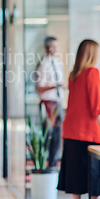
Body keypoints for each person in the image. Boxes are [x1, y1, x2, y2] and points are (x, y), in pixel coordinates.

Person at [57, 39, 100, 199]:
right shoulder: (92, 72)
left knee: (75, 170)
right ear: (92, 54)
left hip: (71, 130)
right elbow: (96, 106)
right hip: (89, 132)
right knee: (93, 172)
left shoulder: (73, 75)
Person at [35, 36, 65, 168]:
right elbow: (39, 88)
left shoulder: (58, 63)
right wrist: (56, 86)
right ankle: (44, 164)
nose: (55, 49)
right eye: (53, 46)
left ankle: (53, 163)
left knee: (58, 135)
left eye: (56, 46)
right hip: (47, 103)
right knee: (48, 134)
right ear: (47, 47)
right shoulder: (42, 64)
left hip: (58, 102)